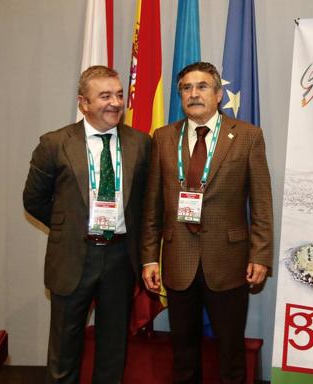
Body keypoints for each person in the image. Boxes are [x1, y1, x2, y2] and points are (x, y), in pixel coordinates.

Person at [140, 62, 273, 384]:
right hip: (177, 260)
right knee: (183, 353)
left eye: (201, 87)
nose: (194, 94)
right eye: (186, 88)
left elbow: (261, 203)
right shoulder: (162, 138)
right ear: (180, 96)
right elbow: (152, 205)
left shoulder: (247, 137)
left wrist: (260, 255)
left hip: (229, 261)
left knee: (230, 353)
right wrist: (148, 257)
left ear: (218, 94)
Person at [23, 65, 151, 383]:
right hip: (72, 256)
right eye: (105, 96)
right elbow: (34, 200)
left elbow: (147, 203)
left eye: (119, 95)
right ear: (83, 103)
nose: (115, 103)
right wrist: (70, 228)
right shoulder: (55, 143)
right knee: (64, 352)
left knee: (112, 351)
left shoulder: (141, 143)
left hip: (121, 259)